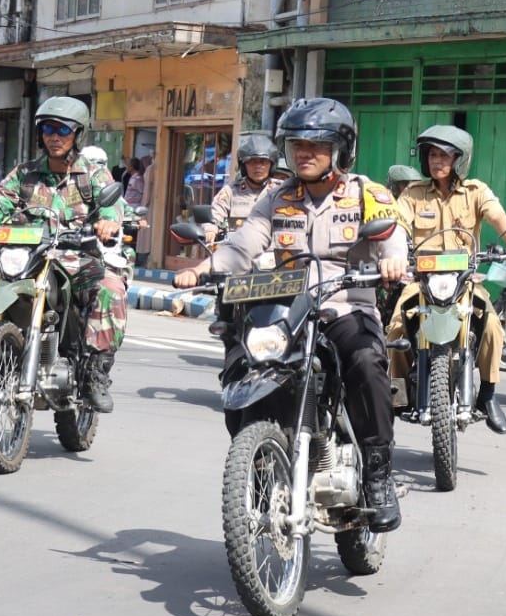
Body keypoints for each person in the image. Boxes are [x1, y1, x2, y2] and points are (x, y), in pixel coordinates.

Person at [172, 98, 408, 532]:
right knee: (242, 369)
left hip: (344, 304)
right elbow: (243, 246)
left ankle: (377, 476)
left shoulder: (367, 194)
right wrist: (202, 268)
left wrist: (393, 262)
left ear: (341, 148)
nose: (304, 153)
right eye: (297, 144)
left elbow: (393, 240)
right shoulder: (276, 197)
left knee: (367, 363)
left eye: (316, 145)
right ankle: (262, 465)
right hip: (286, 309)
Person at [0, 96, 128, 412]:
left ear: (77, 134)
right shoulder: (25, 174)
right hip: (29, 257)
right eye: (48, 128)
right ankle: (1, 356)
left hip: (77, 258)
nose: (55, 136)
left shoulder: (92, 174)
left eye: (63, 129)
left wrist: (107, 221)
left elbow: (112, 205)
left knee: (112, 290)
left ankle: (94, 375)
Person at [387, 124, 506, 435]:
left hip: (464, 282)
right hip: (421, 280)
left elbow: (498, 217)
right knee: (396, 329)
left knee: (491, 326)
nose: (437, 162)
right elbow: (397, 223)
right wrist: (393, 252)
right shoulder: (413, 194)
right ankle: (397, 395)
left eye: (445, 156)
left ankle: (488, 395)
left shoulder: (476, 191)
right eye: (433, 155)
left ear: (459, 160)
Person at [201, 134, 281, 243]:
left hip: (274, 254)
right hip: (238, 252)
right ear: (243, 165)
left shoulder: (282, 191)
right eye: (252, 162)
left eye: (263, 162)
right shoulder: (230, 191)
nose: (258, 166)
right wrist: (210, 229)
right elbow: (215, 214)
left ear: (271, 164)